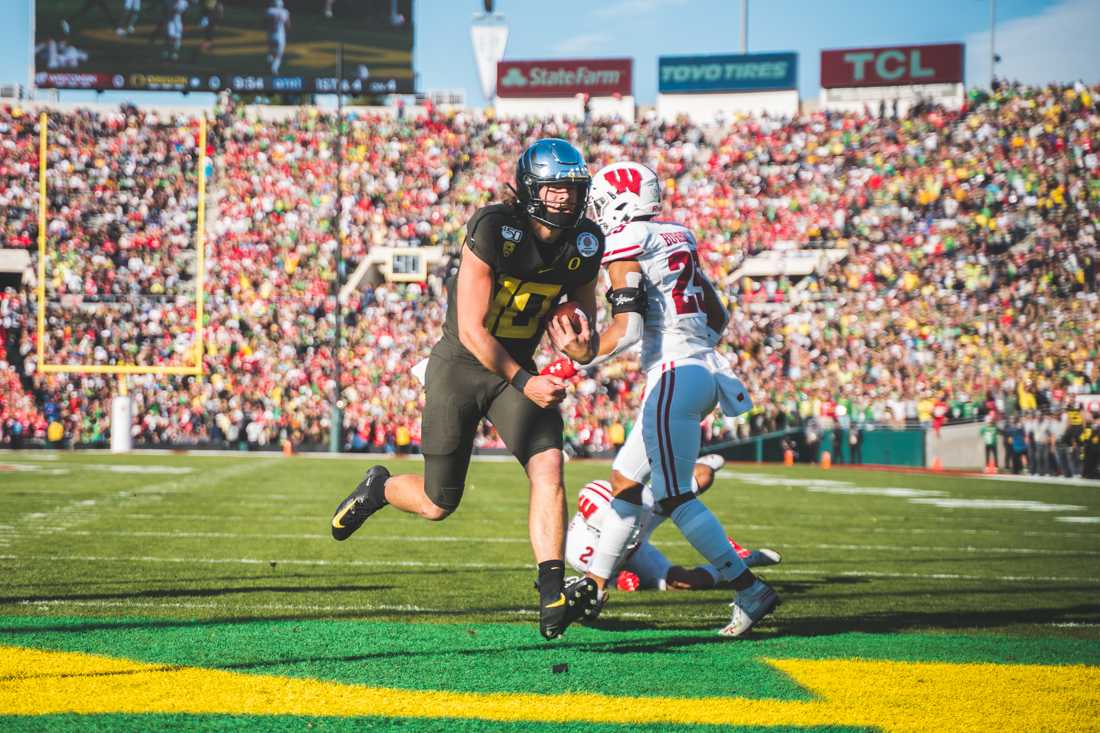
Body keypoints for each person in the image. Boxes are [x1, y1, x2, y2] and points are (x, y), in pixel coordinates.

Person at [329, 139, 605, 640]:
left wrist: (581, 348)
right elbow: (475, 331)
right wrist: (526, 381)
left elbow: (585, 338)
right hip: (461, 364)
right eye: (553, 188)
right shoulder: (495, 227)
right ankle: (380, 488)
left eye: (571, 188)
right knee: (438, 503)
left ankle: (550, 591)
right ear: (529, 190)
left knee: (549, 466)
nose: (564, 198)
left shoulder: (585, 241)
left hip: (517, 366)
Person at [566, 160, 779, 637]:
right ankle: (596, 584)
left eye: (601, 204)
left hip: (673, 374)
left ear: (620, 202)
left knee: (674, 495)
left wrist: (584, 353)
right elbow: (717, 316)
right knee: (624, 480)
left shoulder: (627, 242)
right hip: (701, 369)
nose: (598, 214)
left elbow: (629, 328)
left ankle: (749, 587)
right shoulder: (678, 235)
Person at [566, 454, 781, 602]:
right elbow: (596, 581)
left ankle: (695, 464)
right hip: (627, 557)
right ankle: (742, 560)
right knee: (688, 582)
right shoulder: (580, 551)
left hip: (636, 538)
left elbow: (700, 477)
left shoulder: (634, 505)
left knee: (702, 475)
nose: (632, 525)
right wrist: (617, 580)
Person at [266, 0, 290, 74]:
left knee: (271, 50)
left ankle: (269, 59)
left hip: (270, 34)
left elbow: (264, 22)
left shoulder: (269, 11)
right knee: (279, 53)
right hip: (280, 35)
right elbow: (288, 24)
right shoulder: (284, 12)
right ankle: (274, 68)